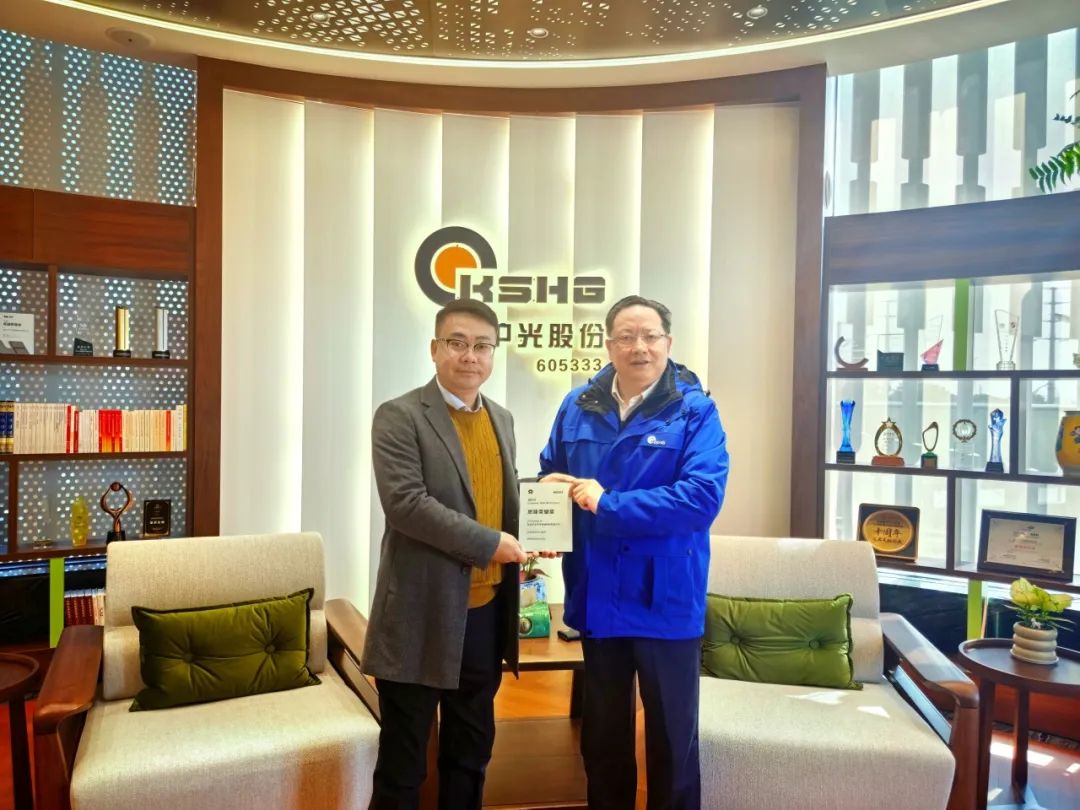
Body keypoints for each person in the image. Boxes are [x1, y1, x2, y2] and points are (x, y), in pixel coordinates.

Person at [540, 294, 729, 810]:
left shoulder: (695, 410)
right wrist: (549, 520)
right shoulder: (577, 405)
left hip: (665, 599)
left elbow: (701, 499)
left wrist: (607, 503)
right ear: (609, 345)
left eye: (650, 336)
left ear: (668, 343)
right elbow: (552, 472)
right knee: (602, 739)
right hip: (597, 592)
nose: (638, 347)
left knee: (672, 737)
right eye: (626, 336)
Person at [362, 298, 528, 810]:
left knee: (470, 755)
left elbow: (499, 500)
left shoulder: (502, 419)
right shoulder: (399, 416)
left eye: (482, 346)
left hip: (485, 617)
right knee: (404, 764)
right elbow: (407, 505)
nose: (470, 356)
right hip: (420, 613)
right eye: (457, 343)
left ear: (493, 354)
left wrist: (536, 526)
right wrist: (491, 544)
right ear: (435, 349)